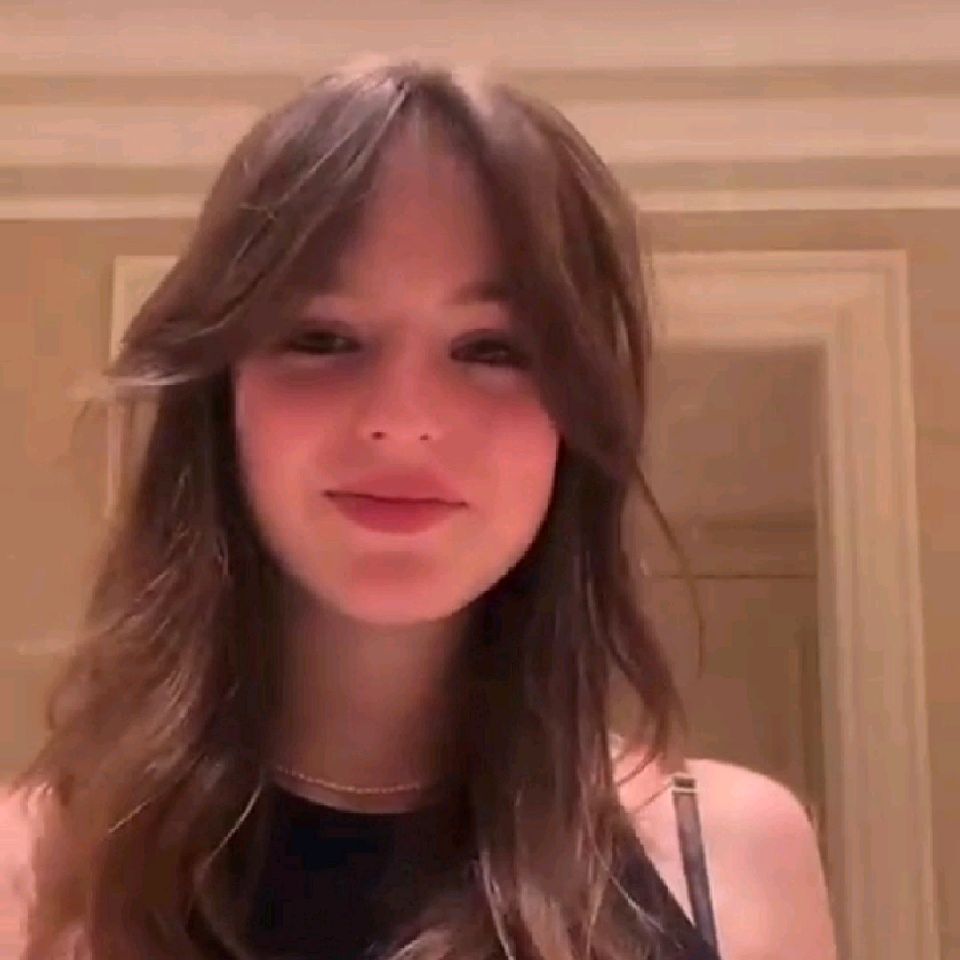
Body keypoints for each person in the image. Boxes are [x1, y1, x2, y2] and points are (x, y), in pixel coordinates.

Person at [0, 59, 836, 960]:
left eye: (490, 348)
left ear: (575, 415)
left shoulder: (732, 860)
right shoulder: (27, 873)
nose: (403, 421)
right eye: (322, 338)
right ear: (221, 397)